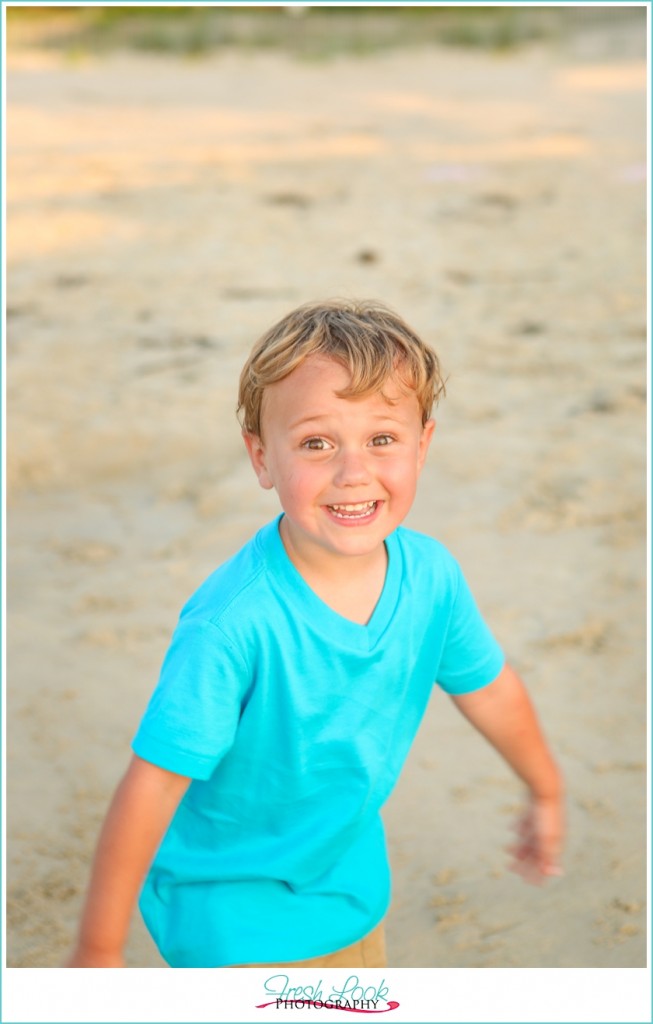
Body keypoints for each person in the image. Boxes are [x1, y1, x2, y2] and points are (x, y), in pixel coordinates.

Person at [66, 299, 564, 969]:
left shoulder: (431, 579)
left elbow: (490, 689)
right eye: (315, 443)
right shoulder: (233, 624)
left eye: (381, 439)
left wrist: (544, 789)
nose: (352, 471)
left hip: (346, 888)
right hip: (229, 911)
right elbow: (152, 782)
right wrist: (98, 947)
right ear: (261, 457)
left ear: (423, 443)